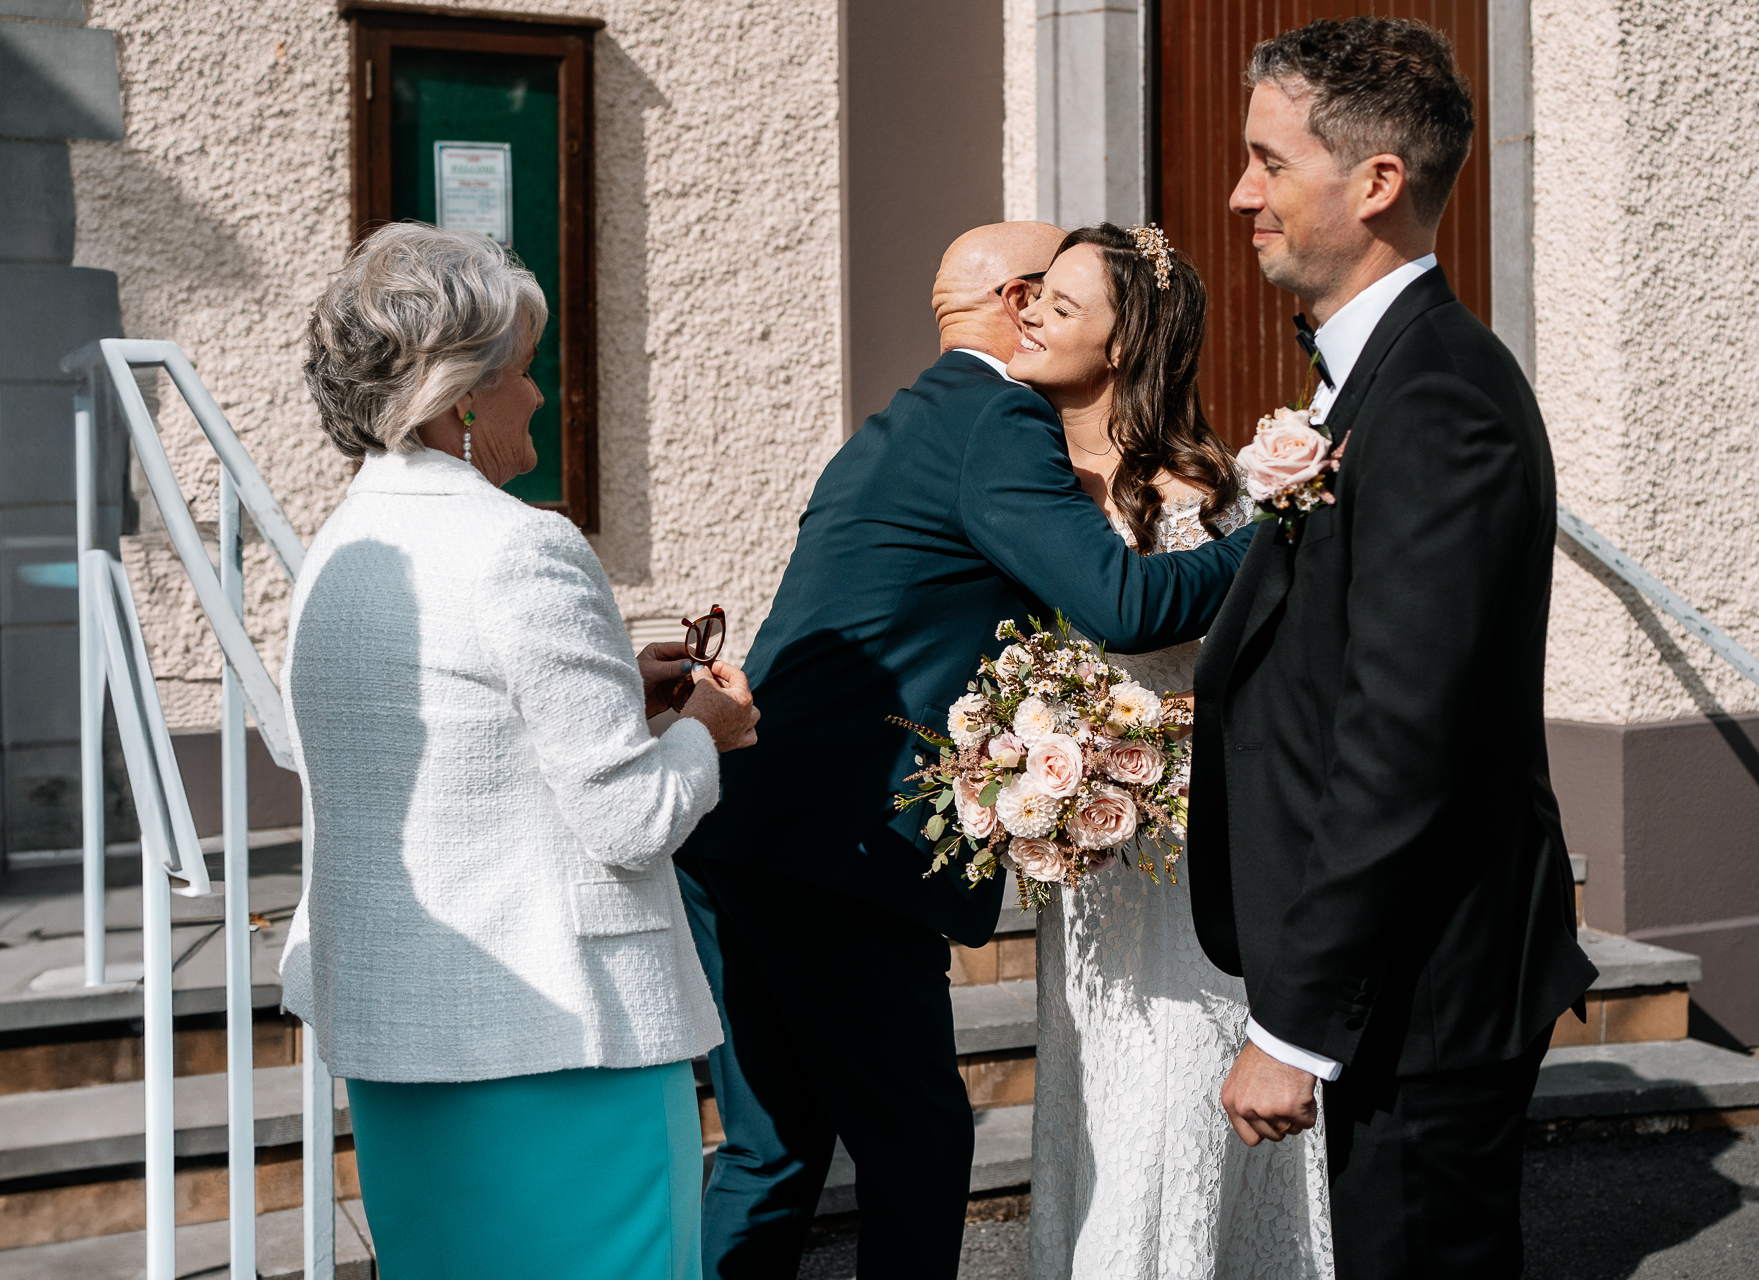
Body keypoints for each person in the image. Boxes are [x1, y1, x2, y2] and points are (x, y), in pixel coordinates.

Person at [677, 221, 1256, 1279]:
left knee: (772, 1148)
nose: (1044, 317)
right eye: (1048, 295)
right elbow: (1122, 602)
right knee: (917, 1143)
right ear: (1025, 296)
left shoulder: (899, 422)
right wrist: (1282, 529)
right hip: (839, 851)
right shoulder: (998, 419)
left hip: (745, 820)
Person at [1191, 20, 1597, 1279]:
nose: (1239, 192)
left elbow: (1403, 730)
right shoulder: (1376, 381)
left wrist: (1302, 1025)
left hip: (1426, 985)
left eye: (1268, 160)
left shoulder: (1438, 399)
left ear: (1375, 182)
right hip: (1399, 979)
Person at [279, 223, 760, 1280]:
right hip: (561, 1043)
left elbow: (454, 733)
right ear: (464, 397)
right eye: (524, 373)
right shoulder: (523, 542)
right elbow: (629, 822)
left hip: (401, 1024)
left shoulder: (340, 549)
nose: (540, 396)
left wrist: (621, 693)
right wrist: (704, 731)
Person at [1014, 223, 1335, 1279]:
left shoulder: (1192, 490)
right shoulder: (1019, 473)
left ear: (1123, 346)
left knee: (1177, 1081)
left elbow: (1236, 661)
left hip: (1186, 835)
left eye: (1061, 305)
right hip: (1084, 846)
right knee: (1098, 1082)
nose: (1032, 314)